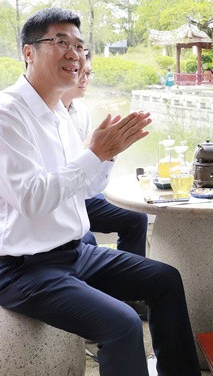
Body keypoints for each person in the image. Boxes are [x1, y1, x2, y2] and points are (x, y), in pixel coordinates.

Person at [0, 8, 205, 376]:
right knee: (121, 325)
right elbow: (33, 199)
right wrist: (94, 152)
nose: (74, 54)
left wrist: (106, 155)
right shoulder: (3, 115)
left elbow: (83, 188)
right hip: (23, 269)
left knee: (163, 278)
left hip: (74, 253)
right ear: (29, 52)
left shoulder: (60, 111)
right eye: (61, 42)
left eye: (79, 45)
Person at [61, 53, 149, 257]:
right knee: (86, 240)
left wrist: (109, 154)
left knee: (137, 218)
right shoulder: (47, 113)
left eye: (89, 73)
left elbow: (91, 184)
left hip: (82, 194)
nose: (85, 79)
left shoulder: (81, 112)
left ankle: (130, 274)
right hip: (59, 197)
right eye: (79, 72)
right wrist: (90, 152)